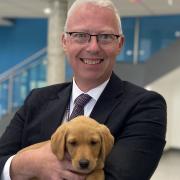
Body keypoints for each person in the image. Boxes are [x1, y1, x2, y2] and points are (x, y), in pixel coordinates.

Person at [0, 0, 167, 179]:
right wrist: (26, 164)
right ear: (65, 42)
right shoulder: (37, 99)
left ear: (119, 44)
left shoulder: (146, 107)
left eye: (105, 36)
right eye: (80, 35)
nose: (93, 47)